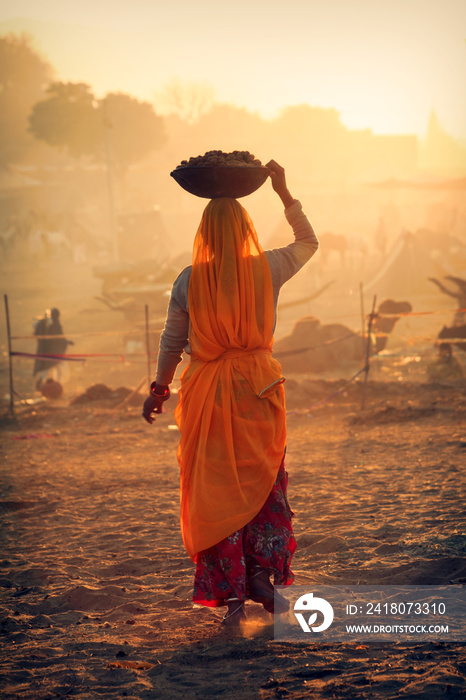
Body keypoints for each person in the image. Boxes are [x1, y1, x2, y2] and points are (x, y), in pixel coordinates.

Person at [142, 160, 319, 626]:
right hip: (260, 390)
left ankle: (234, 596)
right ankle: (263, 574)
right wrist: (284, 193)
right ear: (246, 228)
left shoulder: (187, 281)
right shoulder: (269, 267)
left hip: (208, 396)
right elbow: (309, 243)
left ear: (204, 232)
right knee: (263, 484)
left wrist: (159, 390)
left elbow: (172, 343)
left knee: (218, 490)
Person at [33, 307, 72, 389]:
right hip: (53, 353)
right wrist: (66, 342)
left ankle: (53, 387)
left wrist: (66, 342)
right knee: (51, 369)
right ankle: (49, 386)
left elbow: (59, 338)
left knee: (52, 369)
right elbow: (57, 339)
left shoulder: (53, 325)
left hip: (53, 352)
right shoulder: (55, 326)